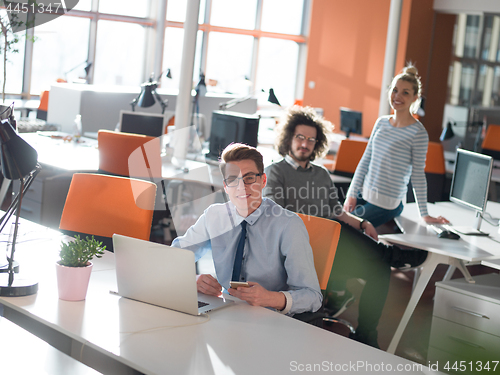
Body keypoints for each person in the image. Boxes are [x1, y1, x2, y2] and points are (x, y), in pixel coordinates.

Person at [263, 105, 426, 348]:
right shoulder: (275, 172)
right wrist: (320, 226)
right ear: (288, 138)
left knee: (380, 269)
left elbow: (336, 210)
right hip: (300, 252)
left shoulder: (321, 174)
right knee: (332, 228)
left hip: (332, 253)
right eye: (300, 137)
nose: (305, 143)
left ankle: (366, 335)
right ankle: (391, 253)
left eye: (311, 139)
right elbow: (277, 219)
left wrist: (362, 222)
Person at [171, 143, 322, 316]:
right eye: (233, 180)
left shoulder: (288, 225)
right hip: (225, 311)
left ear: (263, 180)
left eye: (250, 178)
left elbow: (313, 296)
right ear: (226, 186)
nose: (241, 186)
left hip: (269, 318)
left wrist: (270, 298)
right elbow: (173, 257)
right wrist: (192, 280)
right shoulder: (214, 216)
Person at [344, 65, 449, 227]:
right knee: (334, 219)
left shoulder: (418, 132)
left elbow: (418, 176)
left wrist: (424, 214)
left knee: (346, 227)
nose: (397, 96)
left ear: (415, 97)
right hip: (364, 193)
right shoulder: (381, 123)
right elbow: (366, 160)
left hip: (388, 203)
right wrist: (351, 194)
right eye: (395, 90)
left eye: (405, 92)